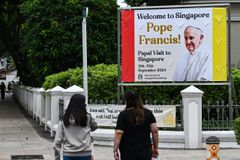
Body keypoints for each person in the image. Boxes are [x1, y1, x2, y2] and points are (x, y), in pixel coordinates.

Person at [113, 91, 159, 160]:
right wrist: (155, 148)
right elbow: (155, 131)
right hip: (145, 151)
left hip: (128, 152)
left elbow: (119, 133)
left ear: (127, 101)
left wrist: (115, 149)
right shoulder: (148, 113)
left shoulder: (123, 115)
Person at [53, 94, 98, 160]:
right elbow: (94, 127)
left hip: (68, 154)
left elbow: (57, 141)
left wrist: (57, 157)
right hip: (85, 154)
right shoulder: (87, 118)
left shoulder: (64, 119)